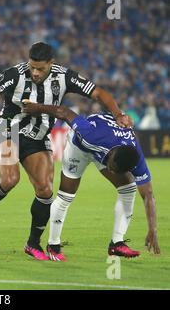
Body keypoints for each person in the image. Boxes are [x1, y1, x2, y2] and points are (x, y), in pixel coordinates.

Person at [0, 42, 133, 260]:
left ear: (51, 64)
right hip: (9, 131)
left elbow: (98, 93)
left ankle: (33, 244)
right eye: (32, 67)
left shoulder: (63, 77)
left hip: (38, 136)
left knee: (45, 190)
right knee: (9, 179)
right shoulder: (15, 74)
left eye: (40, 69)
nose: (34, 72)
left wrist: (118, 114)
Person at [22, 100, 160, 261]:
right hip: (78, 147)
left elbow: (148, 194)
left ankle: (117, 243)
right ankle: (53, 246)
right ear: (111, 157)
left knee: (128, 187)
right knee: (66, 195)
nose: (112, 172)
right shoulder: (90, 134)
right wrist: (37, 108)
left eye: (116, 171)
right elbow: (65, 112)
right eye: (112, 167)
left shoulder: (135, 156)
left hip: (105, 150)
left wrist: (153, 229)